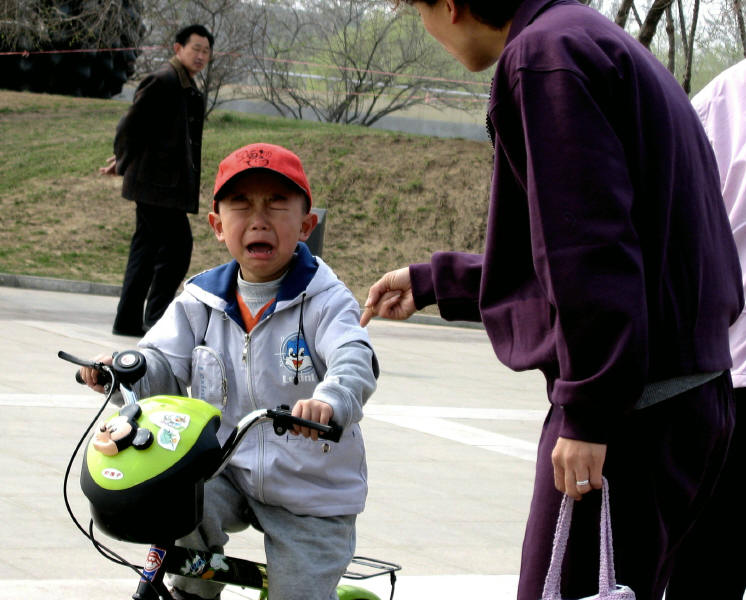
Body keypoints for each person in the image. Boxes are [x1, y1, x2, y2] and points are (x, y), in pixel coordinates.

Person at [360, 2, 741, 599]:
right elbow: (600, 245)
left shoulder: (545, 58)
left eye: (420, 13)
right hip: (685, 397)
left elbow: (591, 250)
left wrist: (589, 409)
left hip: (632, 413)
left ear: (451, 6)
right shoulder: (592, 38)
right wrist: (440, 281)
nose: (428, 32)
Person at [83, 142, 379, 600]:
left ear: (306, 225)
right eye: (241, 204)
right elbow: (161, 363)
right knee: (177, 506)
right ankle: (191, 594)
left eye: (276, 204)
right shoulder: (201, 299)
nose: (258, 218)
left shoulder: (326, 300)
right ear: (219, 226)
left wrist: (331, 400)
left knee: (298, 590)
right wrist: (125, 372)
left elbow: (354, 356)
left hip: (311, 488)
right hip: (227, 469)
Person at [665, 60, 746, 600]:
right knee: (706, 569)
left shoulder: (723, 102)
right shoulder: (721, 104)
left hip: (725, 380)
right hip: (730, 385)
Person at [100, 24, 214, 337]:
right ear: (178, 49)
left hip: (167, 187)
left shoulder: (186, 86)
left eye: (206, 51)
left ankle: (129, 321)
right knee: (178, 250)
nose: (201, 55)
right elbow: (131, 125)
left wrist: (124, 160)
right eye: (196, 49)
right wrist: (122, 161)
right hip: (155, 188)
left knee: (147, 251)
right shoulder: (163, 80)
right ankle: (155, 320)